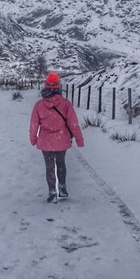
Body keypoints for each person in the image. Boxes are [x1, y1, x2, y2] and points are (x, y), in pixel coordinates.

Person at [29, 72, 85, 203]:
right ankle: (62, 188)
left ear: (46, 86)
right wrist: (79, 139)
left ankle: (52, 192)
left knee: (49, 167)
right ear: (59, 87)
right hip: (62, 140)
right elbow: (73, 123)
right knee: (61, 163)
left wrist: (33, 139)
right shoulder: (65, 104)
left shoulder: (39, 105)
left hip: (46, 142)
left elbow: (33, 125)